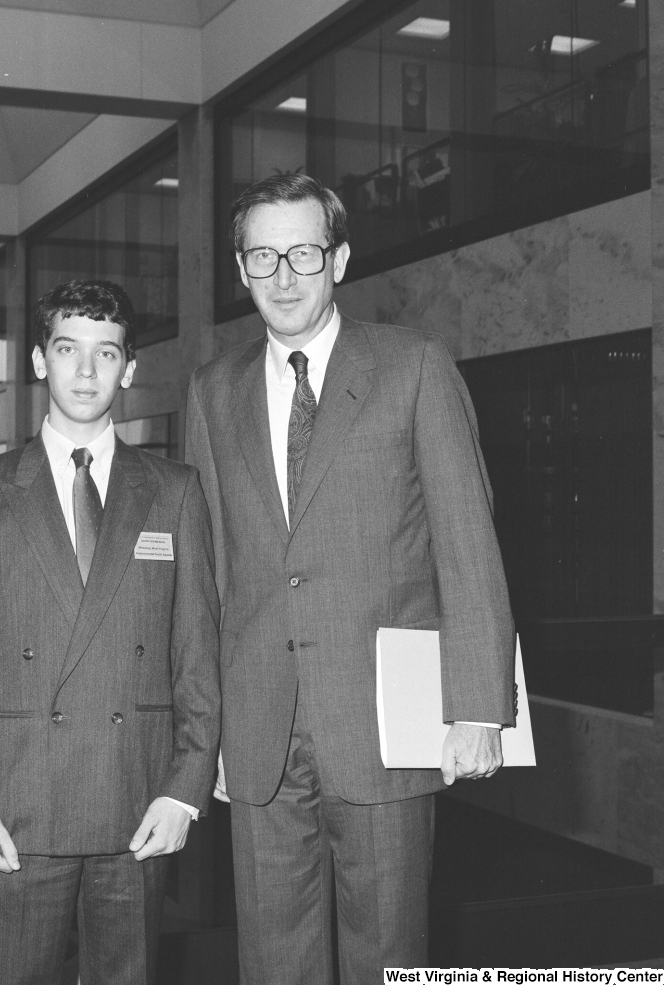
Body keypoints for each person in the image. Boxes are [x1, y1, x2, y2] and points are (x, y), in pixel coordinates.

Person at [184, 173, 515, 984]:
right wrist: (207, 733)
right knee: (272, 962)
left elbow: (468, 544)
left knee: (387, 957)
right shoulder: (212, 391)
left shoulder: (414, 366)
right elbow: (207, 572)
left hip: (384, 722)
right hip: (258, 728)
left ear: (338, 259)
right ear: (241, 268)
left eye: (303, 252)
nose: (284, 276)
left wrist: (478, 706)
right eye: (263, 256)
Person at [0, 279, 221, 985]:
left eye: (106, 352)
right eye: (68, 350)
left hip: (138, 804)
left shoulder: (175, 490)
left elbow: (198, 654)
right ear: (39, 361)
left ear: (129, 368)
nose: (87, 372)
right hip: (16, 806)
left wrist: (184, 789)